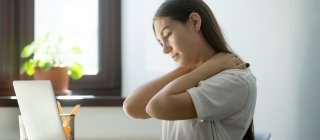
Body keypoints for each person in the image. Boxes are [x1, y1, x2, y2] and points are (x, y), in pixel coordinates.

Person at [123, 0, 257, 140]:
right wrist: (192, 69)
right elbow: (132, 107)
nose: (165, 49)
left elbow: (156, 107)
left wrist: (206, 68)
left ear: (194, 22)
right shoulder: (191, 75)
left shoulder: (235, 79)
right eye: (160, 42)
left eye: (168, 35)